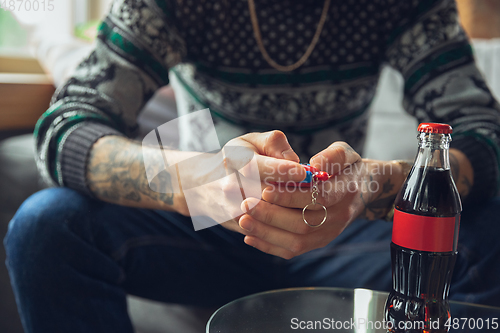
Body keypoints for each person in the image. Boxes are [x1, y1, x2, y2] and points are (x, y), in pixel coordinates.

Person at [4, 0, 500, 332]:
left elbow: (482, 135)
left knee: (486, 230)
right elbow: (65, 126)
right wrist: (194, 181)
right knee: (47, 225)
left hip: (343, 235)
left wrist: (369, 186)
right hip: (206, 233)